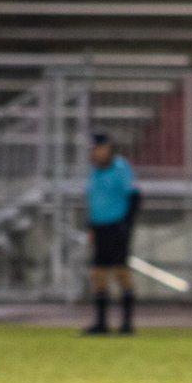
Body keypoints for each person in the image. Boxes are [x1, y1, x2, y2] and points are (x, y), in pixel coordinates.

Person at [84, 132, 139, 335]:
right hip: (99, 227)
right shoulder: (94, 172)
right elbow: (93, 201)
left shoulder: (121, 168)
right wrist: (90, 226)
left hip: (117, 226)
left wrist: (127, 226)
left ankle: (126, 323)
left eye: (96, 149)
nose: (94, 153)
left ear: (107, 148)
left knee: (120, 271)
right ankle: (101, 323)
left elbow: (134, 197)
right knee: (97, 273)